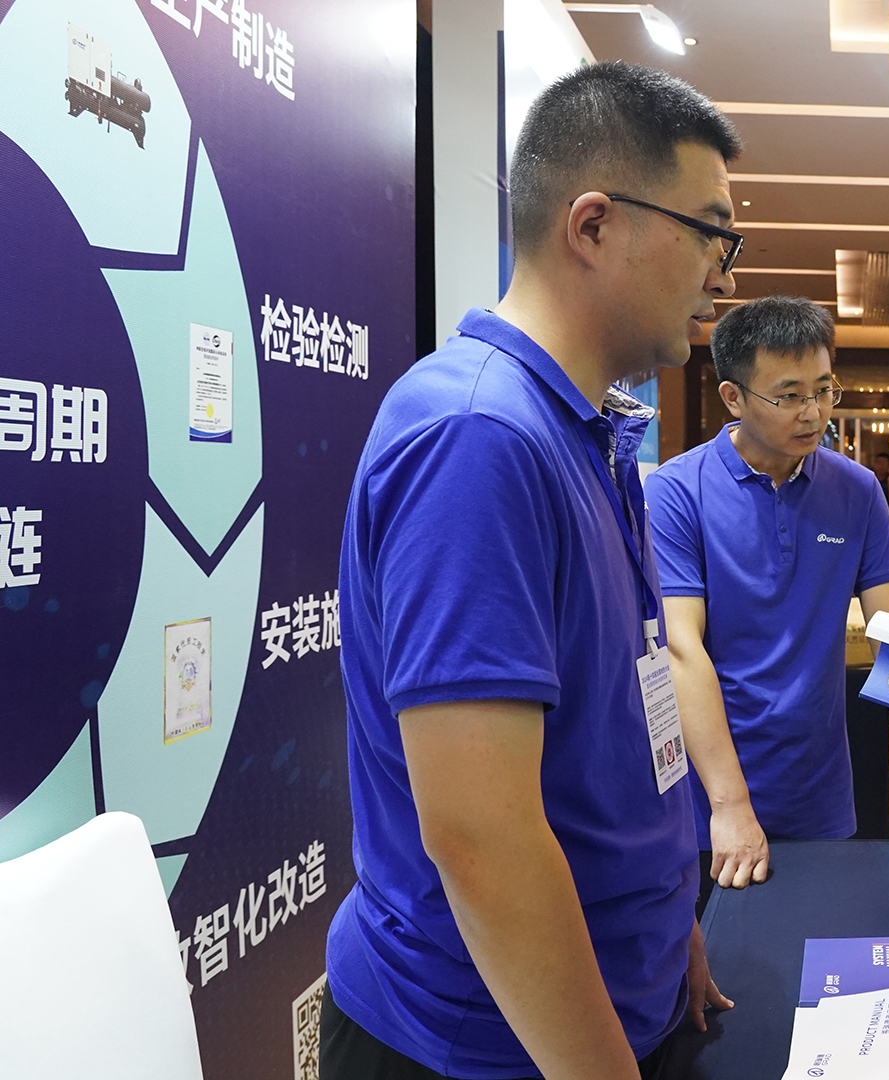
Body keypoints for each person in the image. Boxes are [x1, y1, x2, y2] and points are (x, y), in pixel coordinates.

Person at [323, 64, 736, 1080]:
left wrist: (665, 925)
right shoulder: (479, 437)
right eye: (709, 233)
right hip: (489, 1047)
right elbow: (481, 836)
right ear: (593, 226)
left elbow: (617, 723)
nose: (722, 276)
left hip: (606, 1004)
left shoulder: (586, 430)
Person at [646, 295, 889, 913]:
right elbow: (681, 648)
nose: (814, 412)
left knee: (816, 949)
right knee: (721, 957)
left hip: (819, 783)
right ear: (733, 398)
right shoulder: (677, 491)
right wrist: (729, 804)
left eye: (824, 390)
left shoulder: (856, 489)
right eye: (789, 395)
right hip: (710, 791)